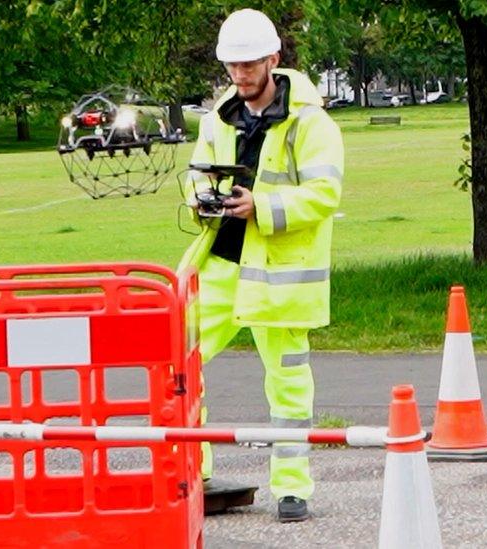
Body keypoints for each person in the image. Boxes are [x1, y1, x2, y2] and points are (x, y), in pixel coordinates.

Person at [179, 8, 344, 523]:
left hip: (278, 270)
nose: (240, 76)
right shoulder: (217, 117)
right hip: (223, 264)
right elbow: (195, 176)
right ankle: (193, 472)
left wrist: (263, 206)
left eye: (249, 65)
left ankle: (292, 489)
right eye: (232, 66)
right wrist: (201, 198)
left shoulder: (312, 124)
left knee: (288, 381)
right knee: (179, 365)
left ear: (274, 59)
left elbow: (324, 194)